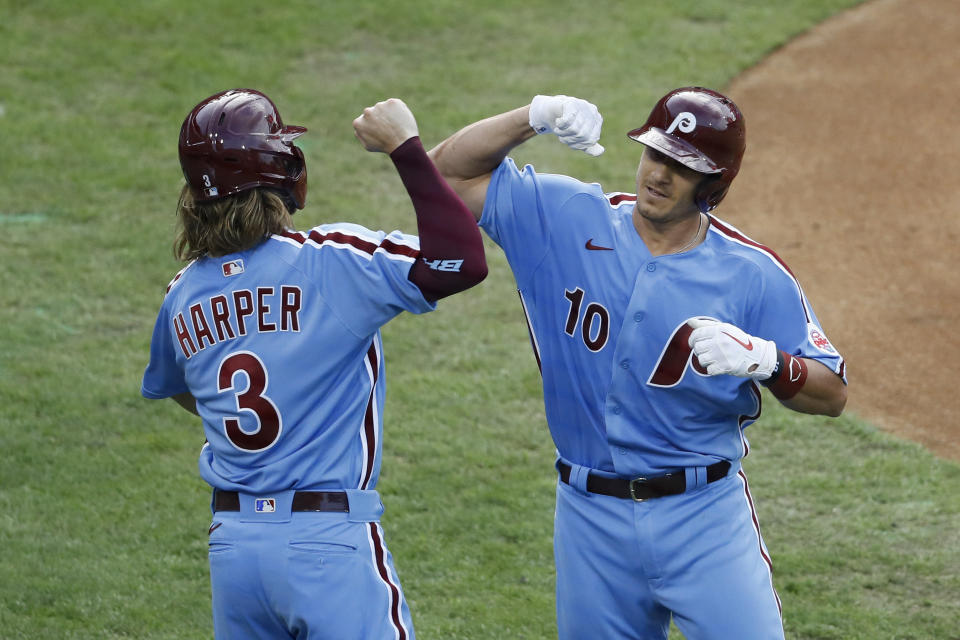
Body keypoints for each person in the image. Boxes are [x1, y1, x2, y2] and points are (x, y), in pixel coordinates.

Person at [429, 88, 847, 639]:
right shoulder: (566, 219)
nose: (659, 174)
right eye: (656, 153)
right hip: (589, 519)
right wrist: (532, 117)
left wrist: (769, 361)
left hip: (705, 518)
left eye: (682, 166)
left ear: (713, 183)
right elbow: (443, 176)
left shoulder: (753, 274)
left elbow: (832, 392)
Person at [140, 88, 486, 640]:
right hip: (326, 544)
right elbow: (459, 261)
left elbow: (182, 388)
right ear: (281, 172)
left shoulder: (182, 297)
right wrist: (406, 148)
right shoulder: (328, 262)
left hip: (234, 549)